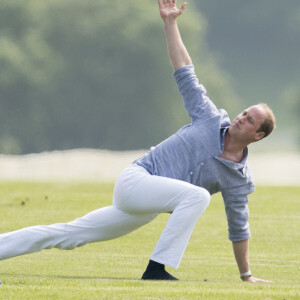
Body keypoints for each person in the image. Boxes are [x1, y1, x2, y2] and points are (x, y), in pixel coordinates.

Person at [0, 0, 275, 282]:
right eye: (244, 112)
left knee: (70, 235)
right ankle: (156, 270)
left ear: (258, 136)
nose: (242, 117)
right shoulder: (209, 118)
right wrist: (170, 22)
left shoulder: (239, 179)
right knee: (198, 195)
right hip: (136, 180)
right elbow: (185, 71)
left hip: (145, 207)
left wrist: (246, 275)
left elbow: (239, 227)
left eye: (250, 120)